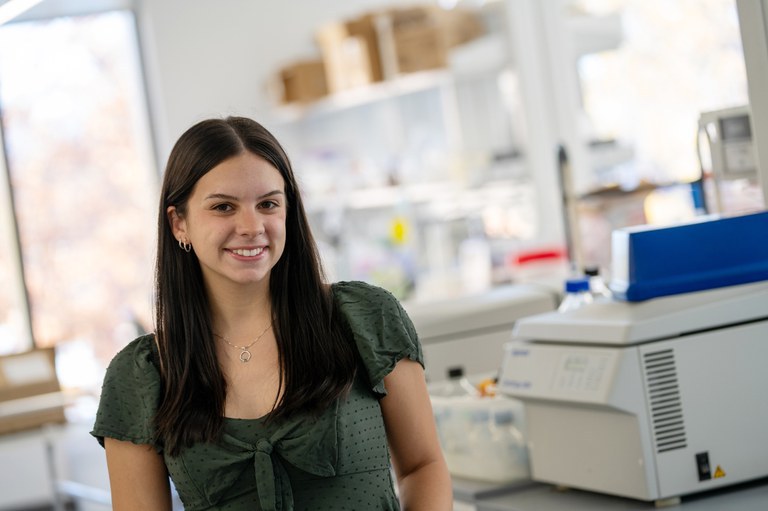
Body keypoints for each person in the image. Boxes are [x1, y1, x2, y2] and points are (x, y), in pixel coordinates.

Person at [91, 116, 453, 510]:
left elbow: (423, 466)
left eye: (267, 204)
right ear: (179, 223)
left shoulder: (364, 317)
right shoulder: (141, 375)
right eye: (223, 207)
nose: (251, 226)